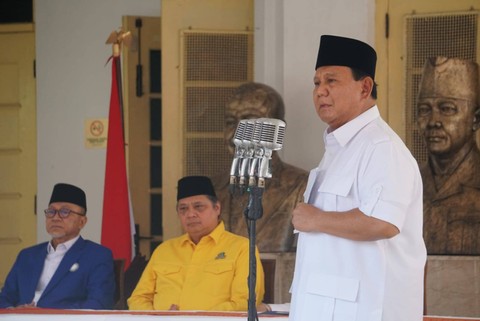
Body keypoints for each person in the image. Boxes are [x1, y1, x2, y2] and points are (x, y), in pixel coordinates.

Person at [288, 35, 426, 321]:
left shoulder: (381, 147)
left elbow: (383, 222)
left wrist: (315, 219)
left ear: (365, 87)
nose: (320, 92)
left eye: (331, 81)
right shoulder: (340, 147)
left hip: (367, 310)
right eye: (316, 83)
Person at [127, 175, 264, 311]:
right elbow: (138, 298)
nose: (190, 214)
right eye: (183, 209)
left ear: (217, 208)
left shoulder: (242, 248)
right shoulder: (164, 250)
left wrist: (195, 317)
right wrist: (157, 318)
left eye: (199, 207)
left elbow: (245, 302)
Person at [211, 82, 308, 253]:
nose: (237, 134)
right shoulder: (211, 189)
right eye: (230, 122)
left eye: (250, 122)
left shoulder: (302, 187)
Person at [0, 183, 115, 309]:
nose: (55, 218)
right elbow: (4, 298)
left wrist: (45, 313)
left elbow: (99, 303)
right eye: (51, 211)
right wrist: (15, 312)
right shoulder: (28, 255)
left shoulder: (96, 255)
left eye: (65, 212)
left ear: (82, 222)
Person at [417, 56, 480, 255]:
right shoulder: (407, 181)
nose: (434, 121)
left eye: (447, 109)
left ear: (475, 119)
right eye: (424, 110)